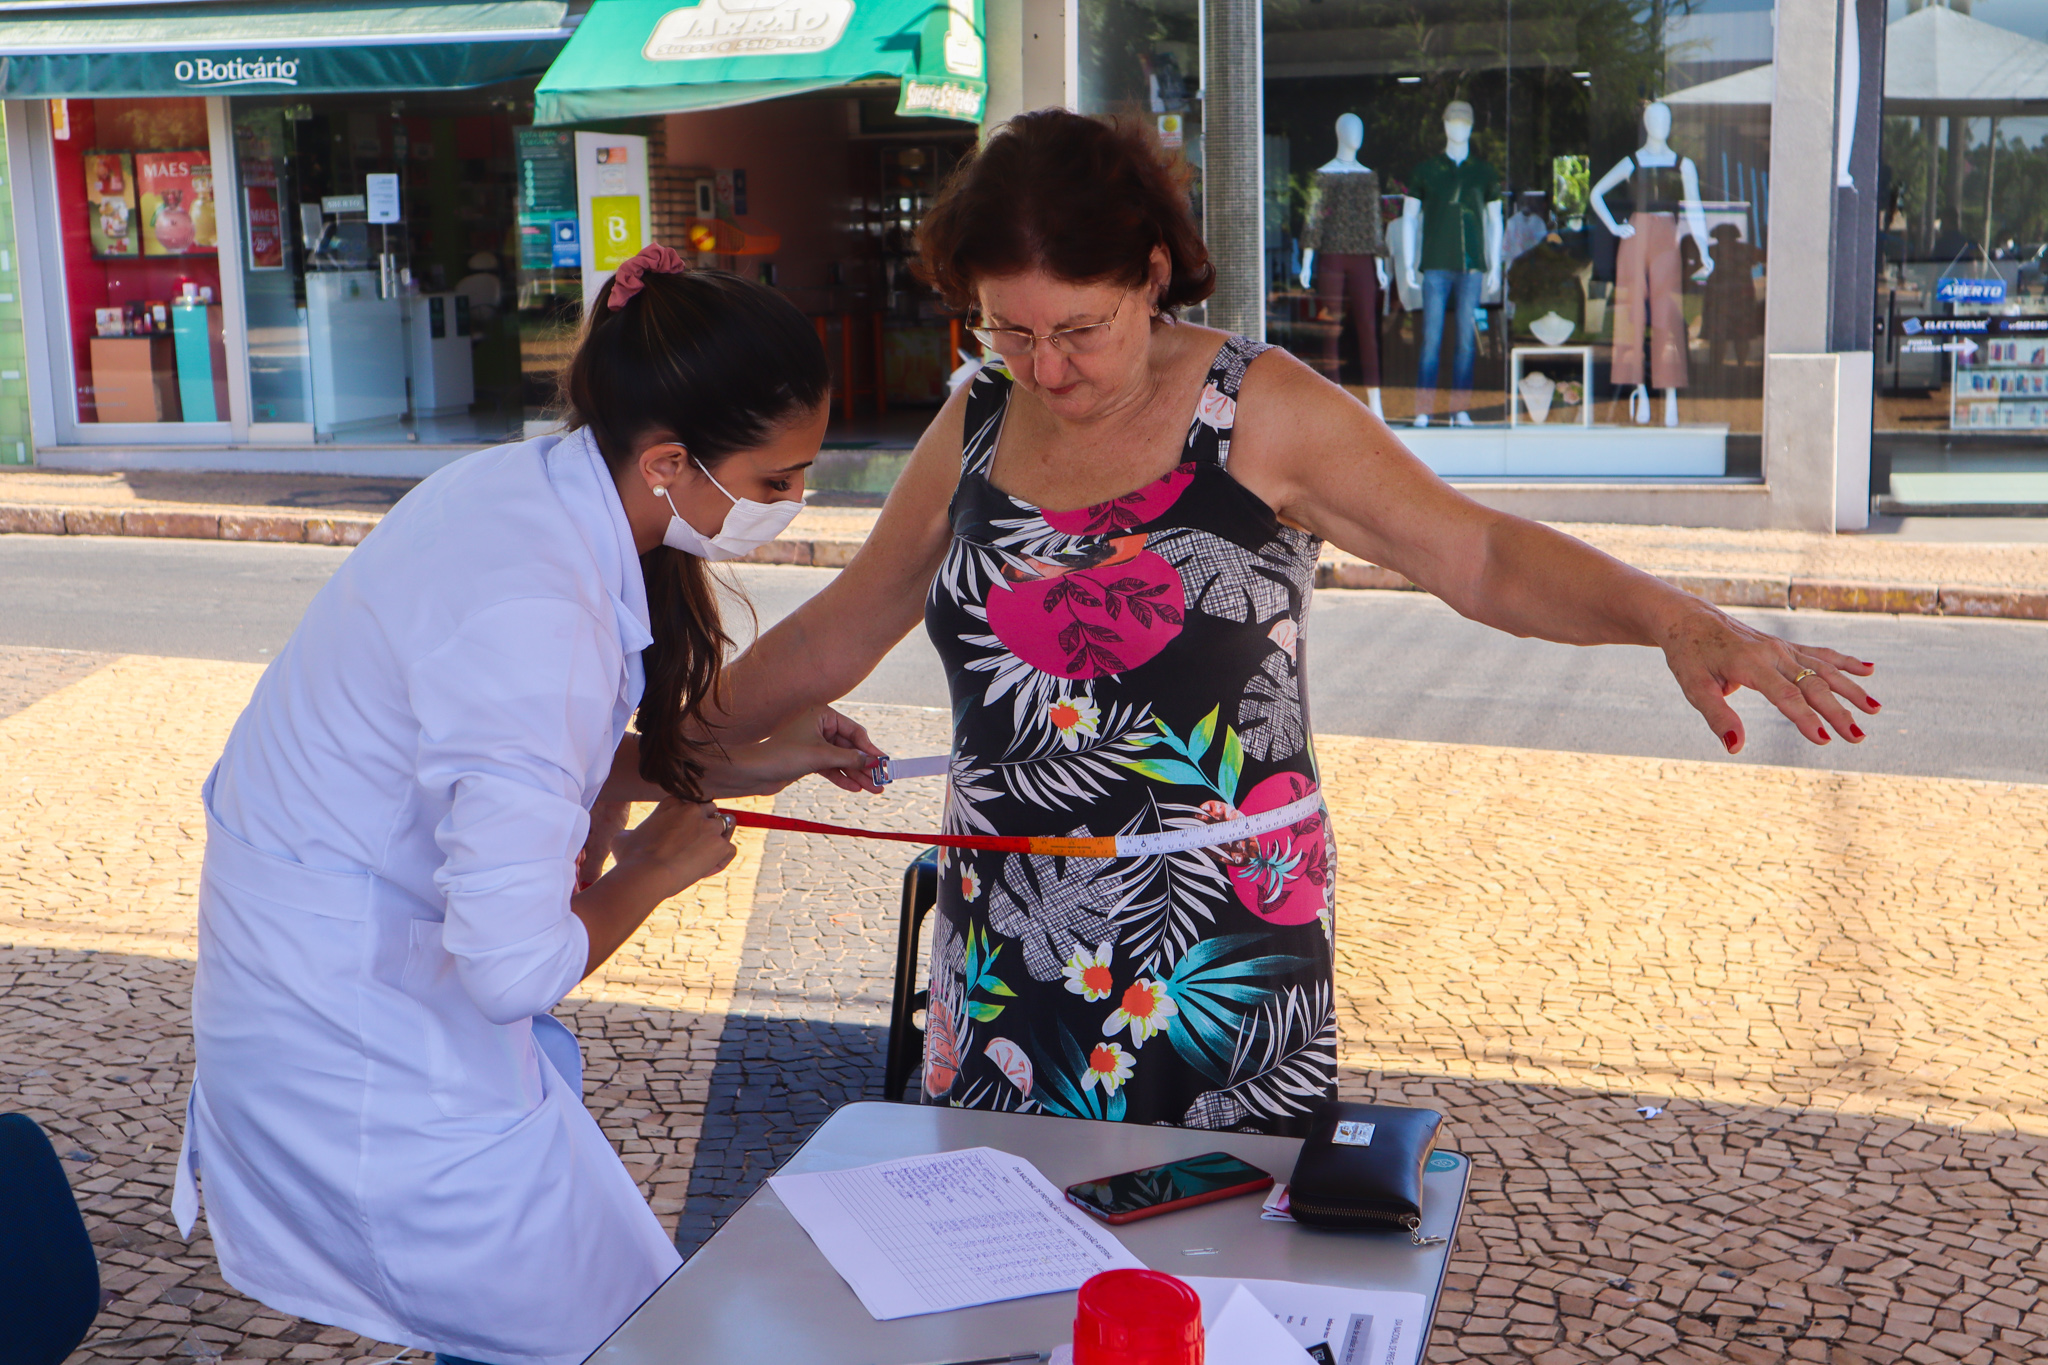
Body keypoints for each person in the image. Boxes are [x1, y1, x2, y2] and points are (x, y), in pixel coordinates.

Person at [716, 110, 1879, 1137]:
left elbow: (1474, 553)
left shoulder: (1255, 407)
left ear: (1152, 275)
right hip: (1012, 929)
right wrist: (660, 745)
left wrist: (1670, 619)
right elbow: (844, 624)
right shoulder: (976, 416)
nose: (1048, 370)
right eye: (1008, 333)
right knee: (1003, 1252)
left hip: (1217, 940)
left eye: (1079, 330)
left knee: (1222, 1267)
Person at [172, 247, 881, 1365]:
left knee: (597, 1315)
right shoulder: (536, 605)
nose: (795, 503)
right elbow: (511, 968)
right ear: (666, 462)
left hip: (349, 979)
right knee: (605, 1334)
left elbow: (534, 759)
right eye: (775, 480)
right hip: (357, 1046)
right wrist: (655, 866)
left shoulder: (533, 489)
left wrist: (735, 759)